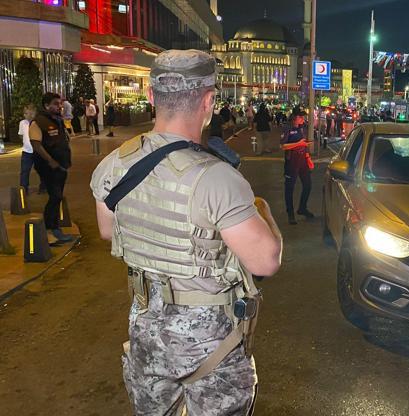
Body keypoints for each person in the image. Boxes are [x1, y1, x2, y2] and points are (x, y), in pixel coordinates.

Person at [90, 49, 282, 415]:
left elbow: (107, 231)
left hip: (147, 334)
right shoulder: (217, 178)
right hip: (211, 347)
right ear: (208, 101)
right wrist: (261, 210)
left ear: (151, 97)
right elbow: (265, 260)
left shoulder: (113, 165)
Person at [29, 92, 73, 242]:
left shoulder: (57, 120)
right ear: (46, 105)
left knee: (57, 196)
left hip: (61, 166)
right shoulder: (38, 122)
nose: (59, 106)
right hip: (48, 167)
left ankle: (53, 228)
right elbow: (36, 144)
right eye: (55, 104)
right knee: (56, 196)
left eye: (60, 103)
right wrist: (50, 161)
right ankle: (51, 229)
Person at [281, 112, 314, 225]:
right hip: (292, 161)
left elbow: (303, 144)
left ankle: (302, 208)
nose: (303, 119)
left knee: (308, 185)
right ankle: (290, 213)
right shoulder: (287, 128)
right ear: (295, 118)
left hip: (303, 160)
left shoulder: (302, 128)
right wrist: (298, 143)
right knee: (290, 188)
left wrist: (308, 157)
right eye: (301, 117)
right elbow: (283, 146)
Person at [18, 103, 39, 195]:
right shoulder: (22, 123)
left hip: (38, 151)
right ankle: (23, 188)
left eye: (31, 114)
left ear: (35, 113)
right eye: (26, 113)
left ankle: (44, 187)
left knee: (43, 170)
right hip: (27, 151)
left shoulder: (38, 122)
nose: (29, 116)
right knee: (24, 171)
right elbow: (21, 135)